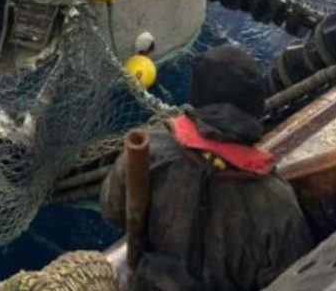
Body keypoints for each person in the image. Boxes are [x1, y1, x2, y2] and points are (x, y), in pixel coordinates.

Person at [100, 45, 313, 291]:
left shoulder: (150, 149)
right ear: (256, 107)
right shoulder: (277, 201)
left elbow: (113, 211)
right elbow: (295, 280)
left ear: (197, 95)